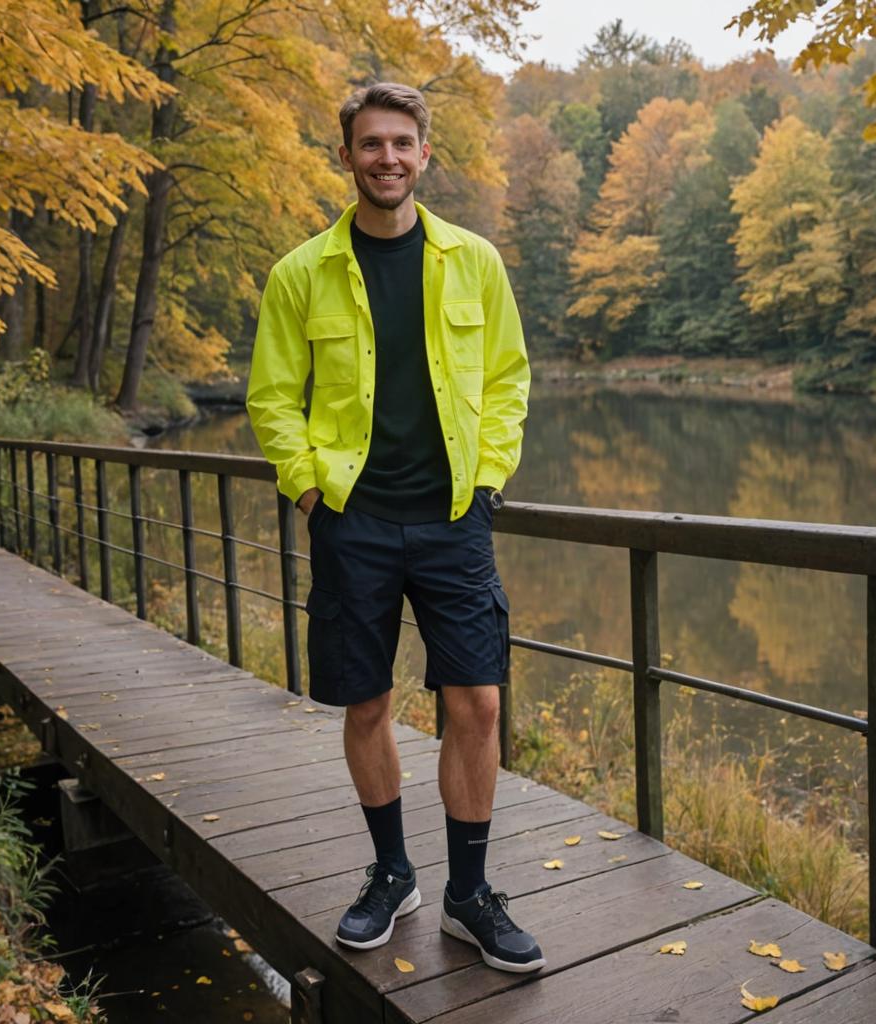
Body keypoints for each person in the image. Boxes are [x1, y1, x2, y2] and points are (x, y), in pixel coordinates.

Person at [246, 82, 542, 973]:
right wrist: (309, 493)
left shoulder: (474, 261)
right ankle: (391, 873)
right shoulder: (302, 272)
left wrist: (487, 482)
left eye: (401, 143)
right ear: (348, 156)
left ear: (424, 155)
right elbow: (271, 397)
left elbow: (508, 382)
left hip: (454, 521)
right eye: (370, 144)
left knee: (478, 703)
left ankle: (469, 895)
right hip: (355, 523)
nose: (387, 158)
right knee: (367, 701)